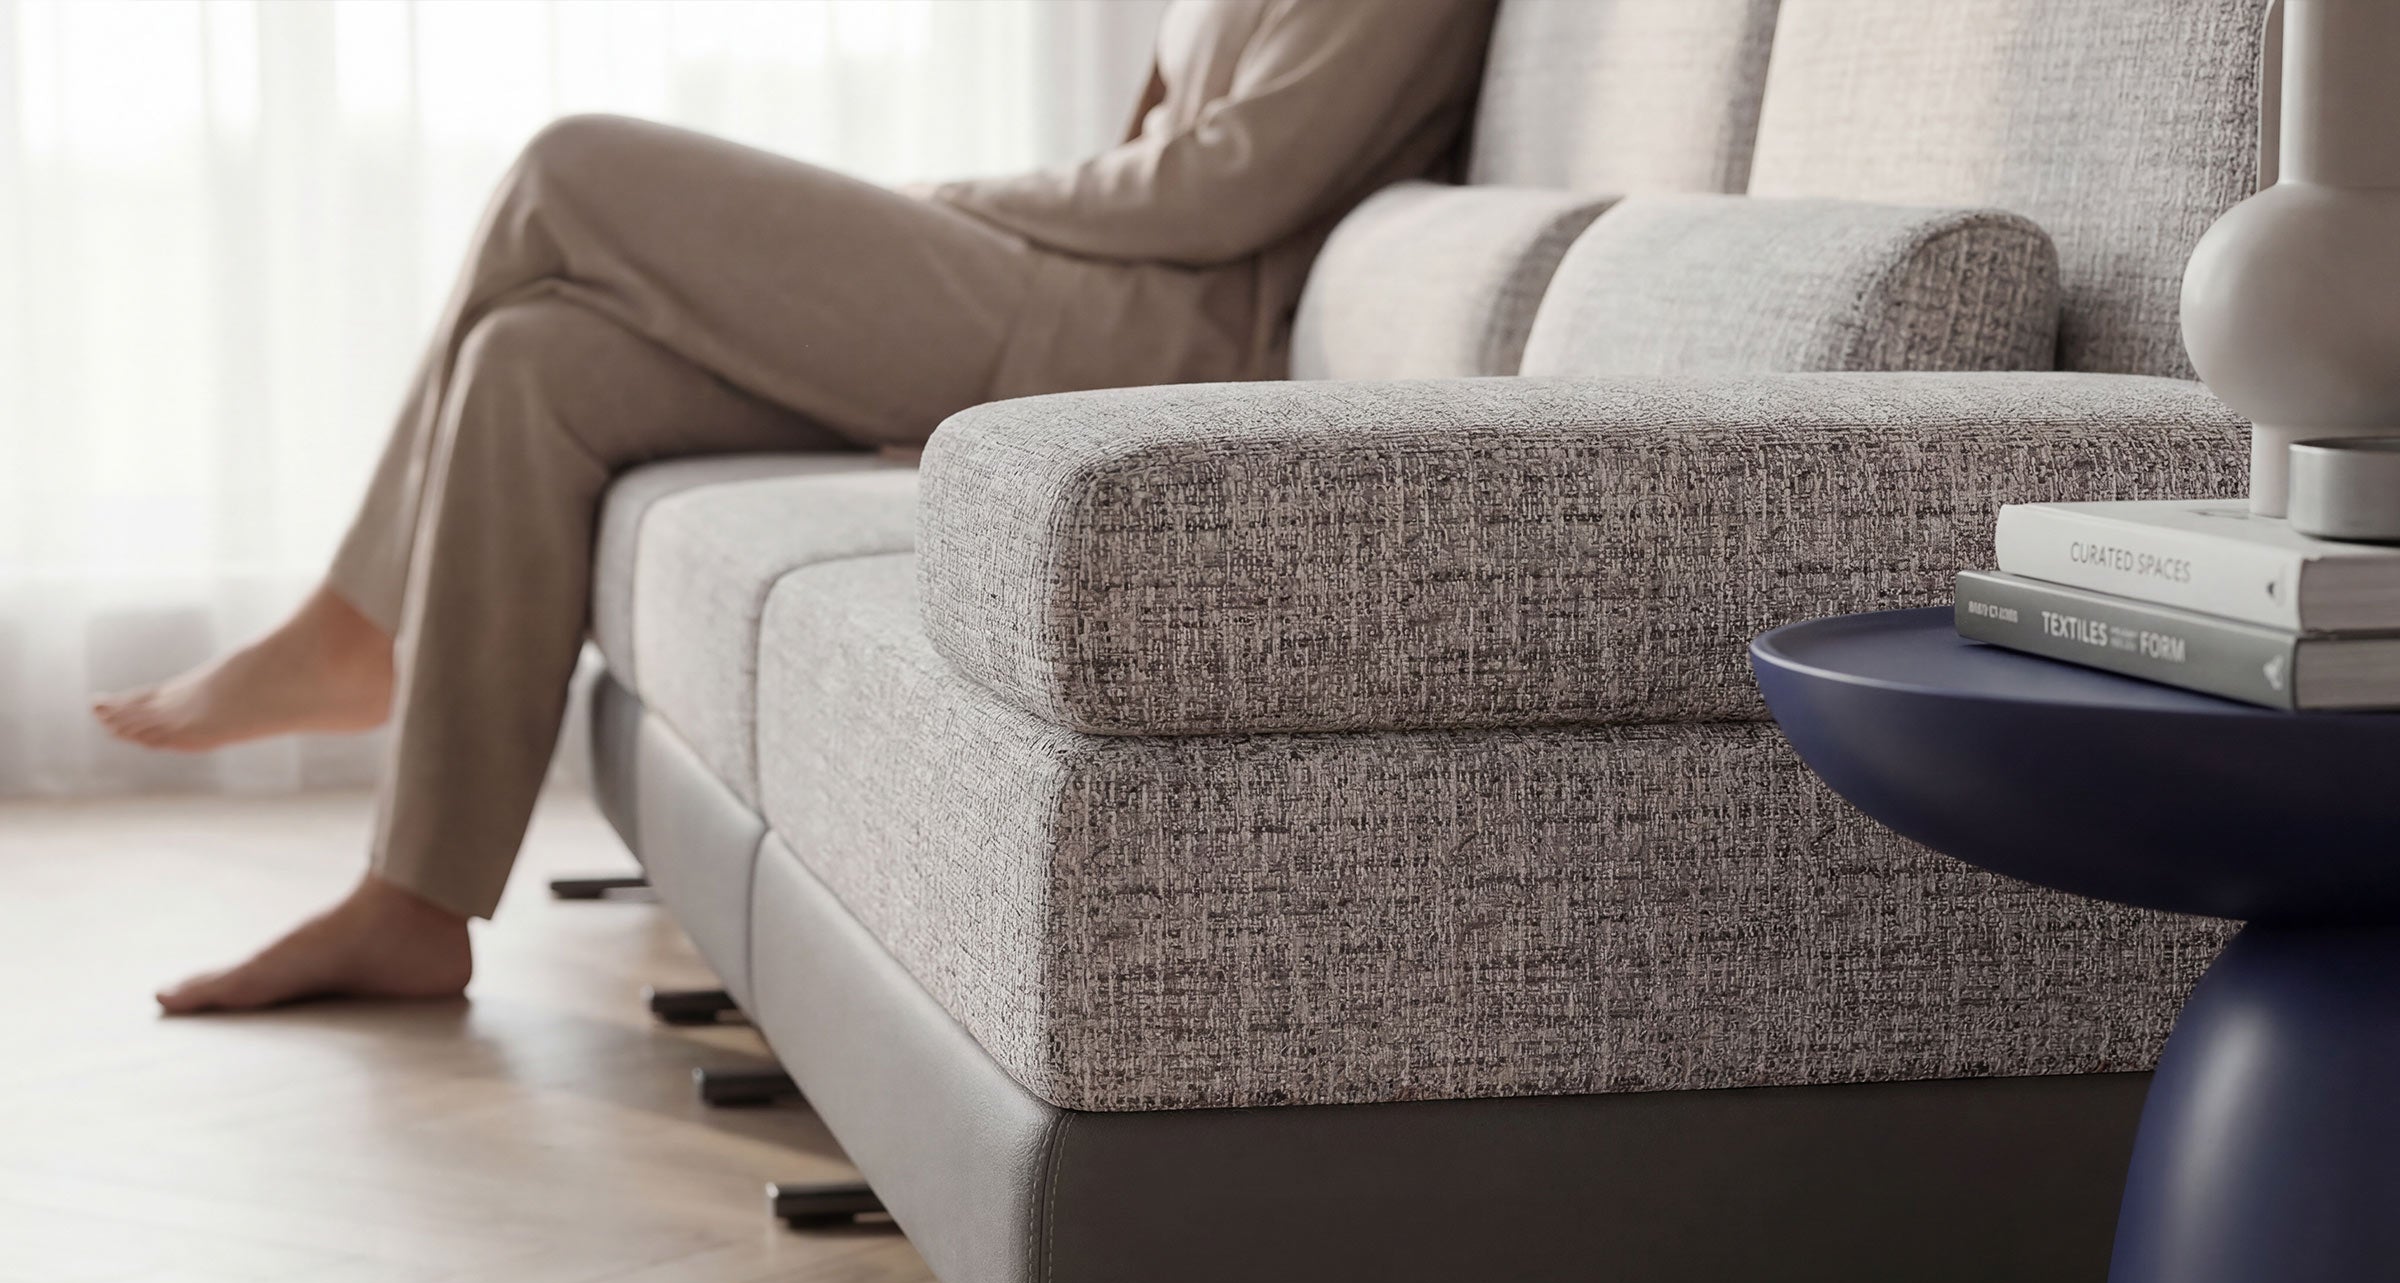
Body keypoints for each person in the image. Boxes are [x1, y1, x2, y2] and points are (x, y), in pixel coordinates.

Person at [95, 0, 1496, 1014]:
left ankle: (347, 631)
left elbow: (1216, 188)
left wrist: (945, 201)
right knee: (535, 364)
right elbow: (1157, 147)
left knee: (569, 166)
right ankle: (415, 906)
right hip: (1080, 290)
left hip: (1140, 336)